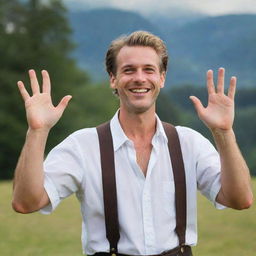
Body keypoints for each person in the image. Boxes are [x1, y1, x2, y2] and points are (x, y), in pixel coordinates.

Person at [12, 31, 253, 256]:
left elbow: (239, 199)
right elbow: (26, 202)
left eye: (148, 69)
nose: (139, 78)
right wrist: (37, 131)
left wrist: (223, 132)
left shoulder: (188, 143)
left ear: (162, 77)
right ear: (113, 79)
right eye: (129, 70)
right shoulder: (83, 146)